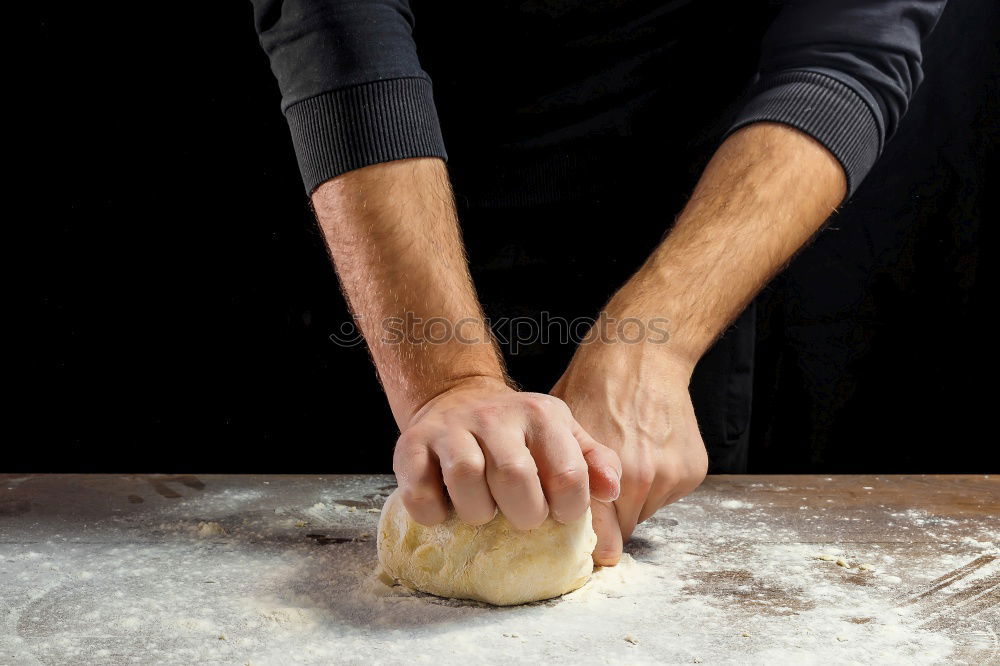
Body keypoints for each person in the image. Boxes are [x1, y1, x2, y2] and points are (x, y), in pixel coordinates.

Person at [250, 0, 947, 565]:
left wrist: (652, 348)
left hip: (671, 258)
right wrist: (442, 379)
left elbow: (850, 53)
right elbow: (337, 18)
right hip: (368, 241)